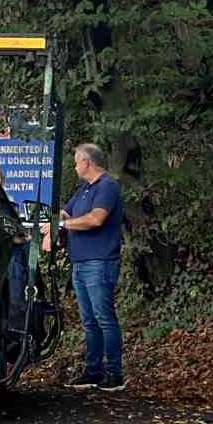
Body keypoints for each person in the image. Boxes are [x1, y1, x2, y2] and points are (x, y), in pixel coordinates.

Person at [42, 143, 125, 392]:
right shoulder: (83, 190)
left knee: (104, 318)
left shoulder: (107, 186)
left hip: (100, 262)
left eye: (77, 162)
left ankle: (114, 373)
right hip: (80, 263)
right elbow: (65, 215)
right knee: (89, 321)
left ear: (87, 162)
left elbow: (95, 219)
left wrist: (64, 226)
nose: (75, 166)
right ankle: (93, 371)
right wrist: (53, 226)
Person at [0, 162, 30, 329]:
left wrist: (19, 237)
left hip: (12, 259)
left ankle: (16, 343)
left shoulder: (10, 204)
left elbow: (19, 233)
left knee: (15, 302)